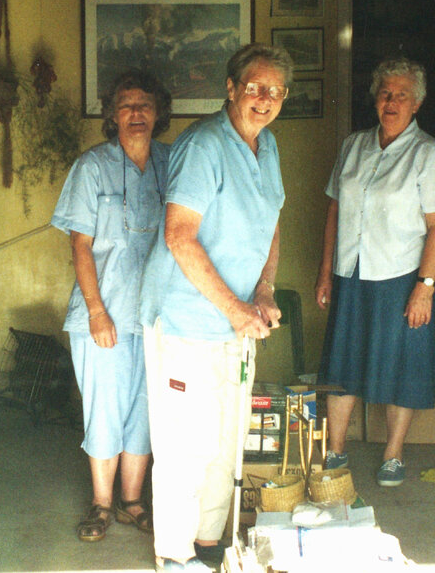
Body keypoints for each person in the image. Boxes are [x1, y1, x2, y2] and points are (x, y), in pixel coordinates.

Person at [138, 43, 292, 571]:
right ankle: (176, 556)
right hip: (186, 319)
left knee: (226, 441)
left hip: (236, 320)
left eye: (274, 90)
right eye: (254, 87)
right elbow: (180, 237)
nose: (264, 98)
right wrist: (233, 307)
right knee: (185, 446)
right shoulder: (203, 145)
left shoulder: (266, 146)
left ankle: (209, 544)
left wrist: (265, 290)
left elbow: (272, 221)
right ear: (230, 88)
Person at [314, 57, 435, 488]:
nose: (391, 101)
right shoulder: (353, 145)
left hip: (400, 276)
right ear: (375, 99)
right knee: (342, 364)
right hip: (351, 271)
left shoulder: (429, 153)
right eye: (385, 93)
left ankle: (393, 454)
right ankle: (335, 450)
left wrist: (425, 287)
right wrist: (325, 273)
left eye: (401, 95)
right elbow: (335, 209)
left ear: (417, 104)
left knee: (400, 367)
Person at [51, 69, 172, 542]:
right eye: (126, 105)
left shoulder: (173, 162)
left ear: (158, 112)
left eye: (144, 104)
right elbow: (80, 246)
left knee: (145, 410)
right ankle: (101, 505)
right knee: (104, 408)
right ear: (112, 115)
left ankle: (132, 502)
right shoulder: (93, 167)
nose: (136, 113)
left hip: (158, 315)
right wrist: (97, 311)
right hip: (102, 314)